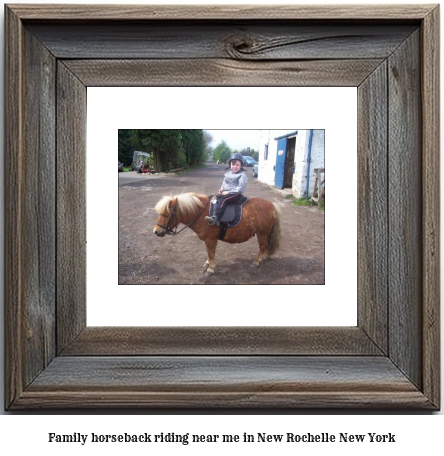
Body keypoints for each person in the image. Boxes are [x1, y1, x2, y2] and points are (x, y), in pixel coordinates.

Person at [205, 152, 248, 225]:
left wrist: (228, 192)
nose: (234, 167)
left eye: (237, 165)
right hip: (226, 192)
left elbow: (240, 188)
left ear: (241, 166)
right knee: (215, 198)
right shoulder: (228, 174)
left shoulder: (242, 175)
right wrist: (221, 189)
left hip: (236, 194)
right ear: (230, 165)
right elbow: (224, 183)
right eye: (233, 164)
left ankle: (215, 218)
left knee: (224, 200)